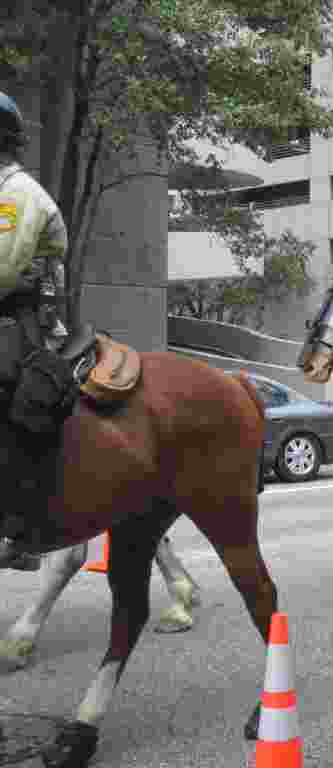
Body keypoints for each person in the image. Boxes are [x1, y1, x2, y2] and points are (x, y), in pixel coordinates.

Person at [0, 91, 74, 571]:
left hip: (24, 322)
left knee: (13, 398)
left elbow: (4, 269)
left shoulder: (18, 195)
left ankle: (25, 527)